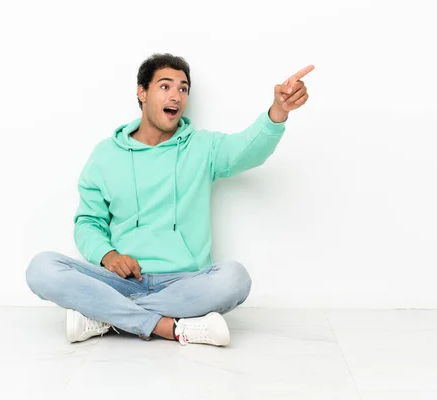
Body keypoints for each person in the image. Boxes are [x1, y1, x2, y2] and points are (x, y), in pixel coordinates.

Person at [25, 53, 313, 346]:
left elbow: (248, 149)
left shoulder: (203, 147)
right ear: (142, 92)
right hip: (119, 283)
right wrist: (108, 256)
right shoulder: (105, 155)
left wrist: (279, 110)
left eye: (183, 88)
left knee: (235, 279)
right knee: (41, 268)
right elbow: (88, 222)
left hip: (184, 284)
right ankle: (170, 327)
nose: (176, 96)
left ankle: (108, 318)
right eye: (165, 86)